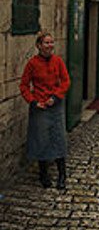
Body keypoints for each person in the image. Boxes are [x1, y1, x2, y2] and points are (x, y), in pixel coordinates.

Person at [20, 31, 71, 190]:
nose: (50, 45)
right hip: (40, 107)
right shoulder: (32, 64)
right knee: (41, 140)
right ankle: (43, 174)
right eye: (46, 43)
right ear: (39, 45)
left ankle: (62, 175)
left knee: (59, 138)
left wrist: (55, 97)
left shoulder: (58, 61)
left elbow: (65, 81)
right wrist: (33, 101)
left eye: (51, 42)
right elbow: (24, 85)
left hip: (55, 105)